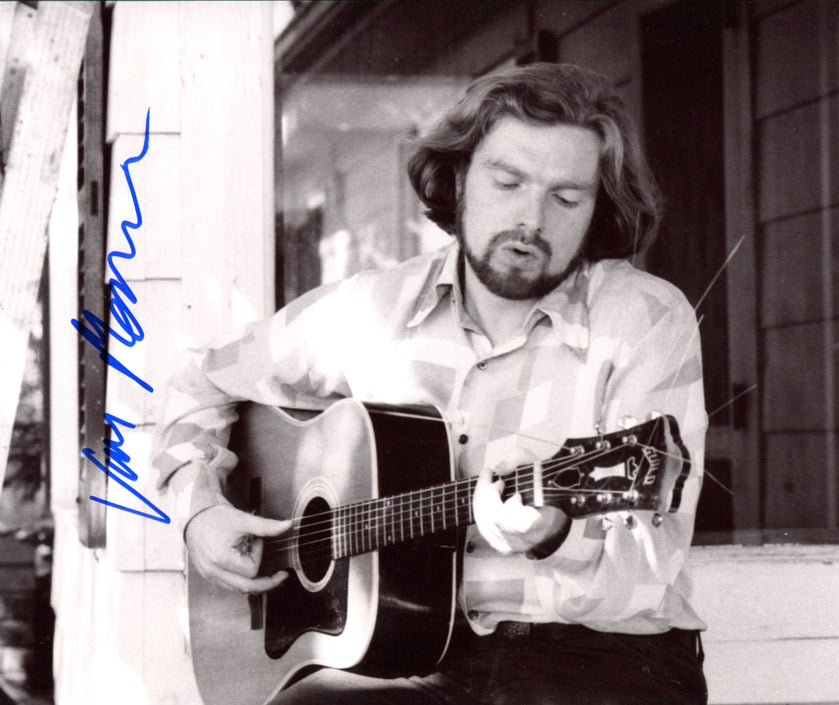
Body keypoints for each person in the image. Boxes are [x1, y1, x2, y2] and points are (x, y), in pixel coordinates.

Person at [154, 62, 709, 705]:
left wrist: (553, 532)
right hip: (410, 654)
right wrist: (199, 510)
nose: (531, 219)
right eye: (508, 182)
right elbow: (198, 381)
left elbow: (648, 571)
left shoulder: (645, 318)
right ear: (460, 177)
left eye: (566, 198)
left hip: (598, 658)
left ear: (598, 209)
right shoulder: (370, 310)